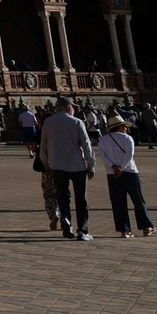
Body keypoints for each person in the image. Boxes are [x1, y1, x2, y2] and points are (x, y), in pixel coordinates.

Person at [39, 96, 96, 240]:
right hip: (77, 165)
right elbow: (86, 145)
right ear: (69, 108)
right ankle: (82, 230)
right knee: (81, 198)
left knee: (63, 197)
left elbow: (43, 147)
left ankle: (66, 221)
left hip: (57, 166)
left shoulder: (48, 122)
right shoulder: (76, 122)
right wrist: (91, 165)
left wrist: (46, 165)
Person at [98, 114, 154, 238]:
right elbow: (129, 155)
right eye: (124, 126)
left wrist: (113, 166)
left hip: (112, 173)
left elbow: (102, 155)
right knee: (138, 200)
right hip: (130, 172)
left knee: (118, 203)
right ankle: (146, 227)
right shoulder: (127, 138)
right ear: (120, 127)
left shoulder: (103, 140)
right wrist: (122, 168)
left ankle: (124, 230)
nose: (126, 129)